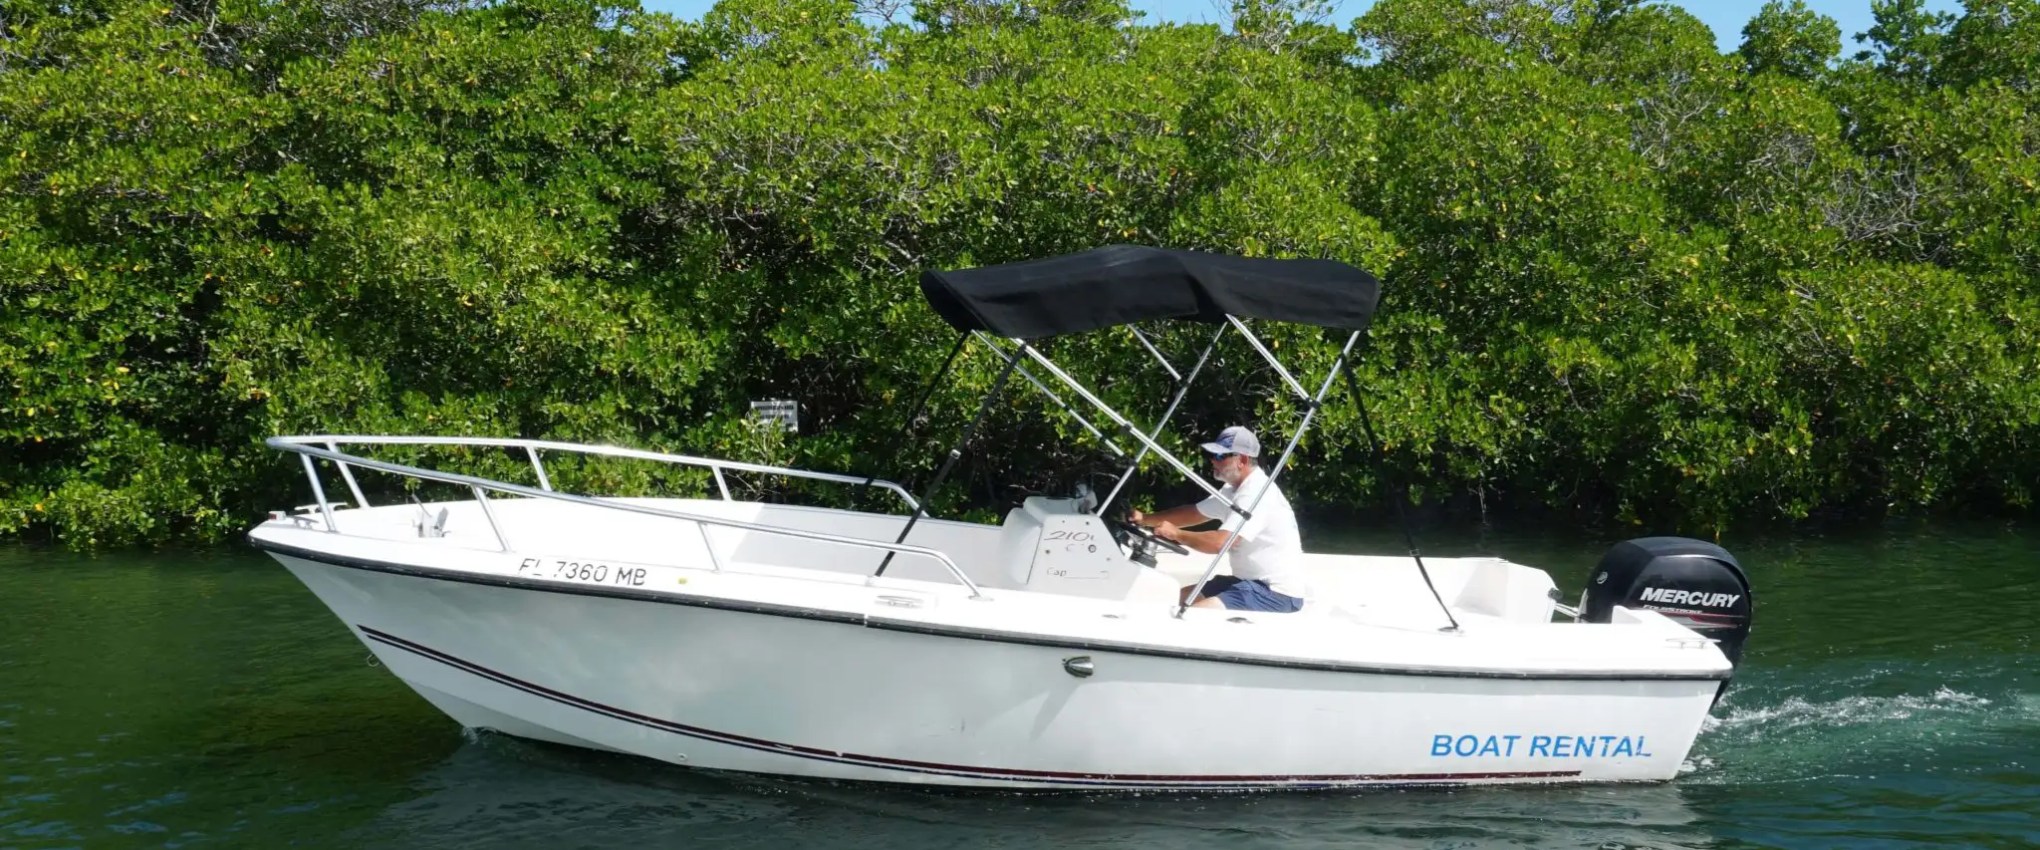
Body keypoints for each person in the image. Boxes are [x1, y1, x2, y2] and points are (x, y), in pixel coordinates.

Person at [1129, 426, 1310, 612]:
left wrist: (1177, 534)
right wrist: (1144, 518)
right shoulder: (1232, 489)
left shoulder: (1255, 494)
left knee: (1191, 614)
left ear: (1243, 460)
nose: (1213, 460)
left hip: (1274, 594)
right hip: (1245, 584)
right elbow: (1193, 513)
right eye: (1213, 455)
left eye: (1221, 456)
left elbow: (1221, 543)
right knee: (1171, 597)